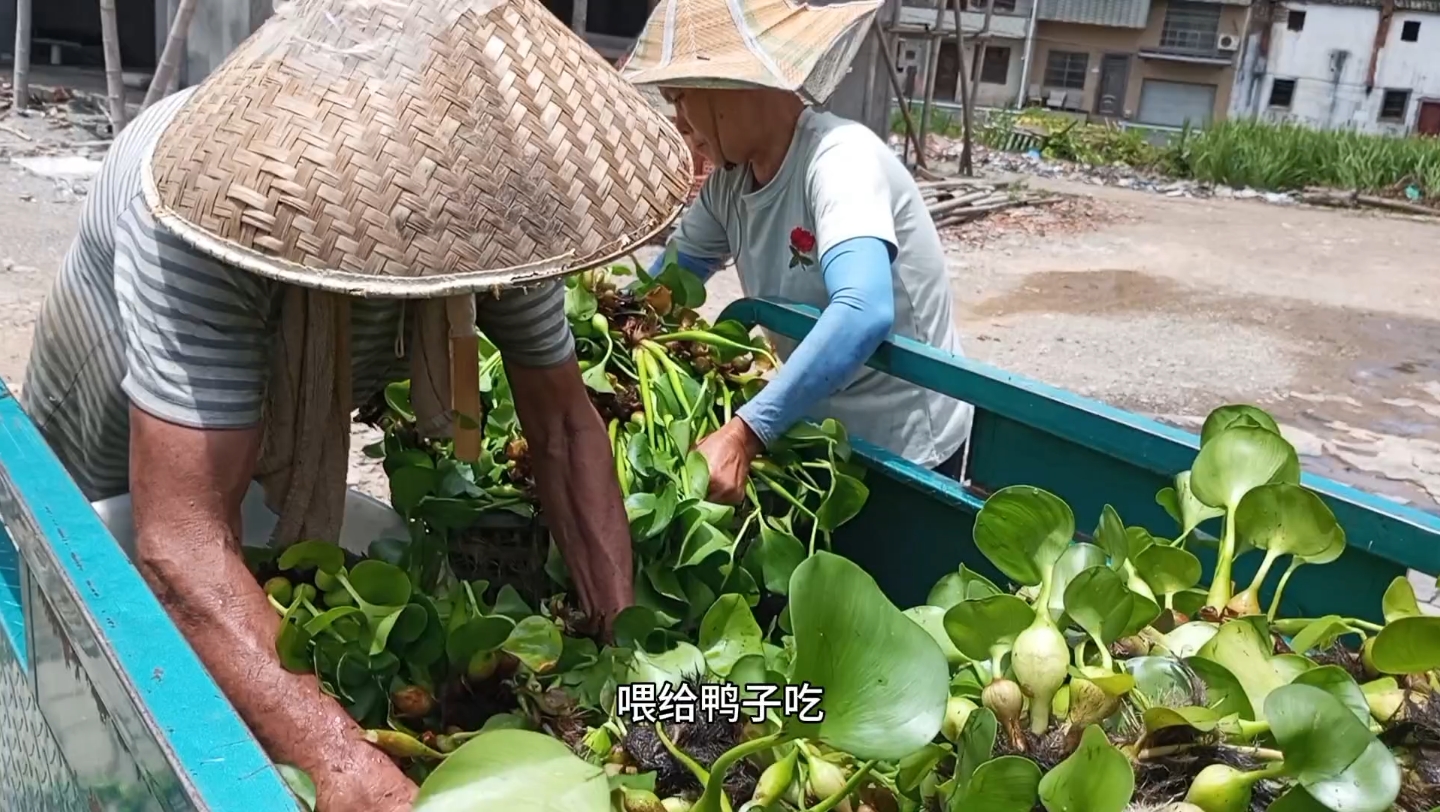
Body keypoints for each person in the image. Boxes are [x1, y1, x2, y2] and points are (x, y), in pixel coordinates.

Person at [20, 1, 692, 808]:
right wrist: (341, 759)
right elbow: (178, 544)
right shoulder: (200, 206)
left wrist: (625, 660)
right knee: (96, 711)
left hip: (243, 475)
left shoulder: (499, 202)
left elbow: (562, 429)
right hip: (101, 465)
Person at [621, 0, 975, 504]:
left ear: (735, 90)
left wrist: (746, 432)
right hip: (815, 429)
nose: (679, 122)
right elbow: (668, 287)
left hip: (909, 445)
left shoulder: (839, 160)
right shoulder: (730, 184)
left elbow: (864, 311)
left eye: (680, 98)